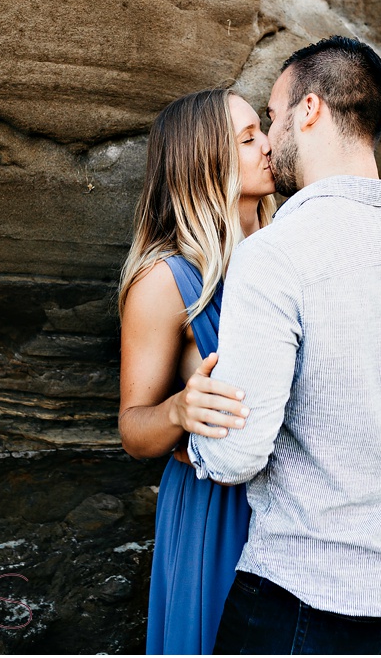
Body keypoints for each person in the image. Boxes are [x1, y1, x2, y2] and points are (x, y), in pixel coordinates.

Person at [189, 36, 381, 653]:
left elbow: (238, 455)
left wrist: (196, 436)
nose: (269, 137)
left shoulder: (274, 256)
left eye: (272, 115)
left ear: (310, 110)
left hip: (306, 598)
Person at [117, 88, 275, 654]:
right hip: (215, 516)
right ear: (205, 160)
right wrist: (179, 410)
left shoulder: (290, 253)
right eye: (248, 138)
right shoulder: (166, 281)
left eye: (265, 130)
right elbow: (134, 430)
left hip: (298, 510)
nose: (268, 146)